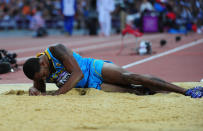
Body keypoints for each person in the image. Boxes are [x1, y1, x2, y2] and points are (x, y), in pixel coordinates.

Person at [23, 44, 203, 98]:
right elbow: (40, 89)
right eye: (41, 78)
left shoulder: (56, 51)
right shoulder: (38, 72)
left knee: (130, 77)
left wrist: (56, 94)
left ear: (44, 64)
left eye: (44, 75)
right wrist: (35, 90)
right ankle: (156, 90)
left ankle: (186, 91)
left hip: (92, 69)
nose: (44, 79)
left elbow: (77, 74)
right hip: (94, 86)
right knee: (134, 91)